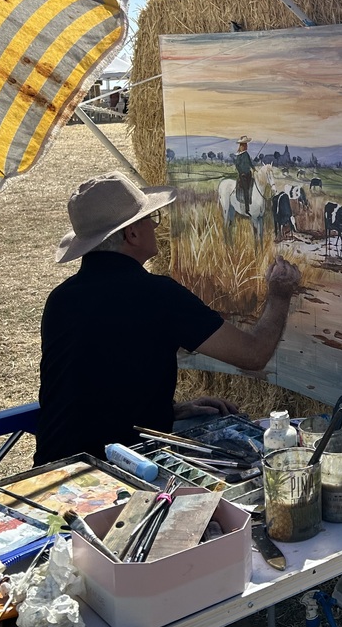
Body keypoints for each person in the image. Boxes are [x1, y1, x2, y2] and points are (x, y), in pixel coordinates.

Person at [33, 172, 301, 465]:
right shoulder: (157, 295)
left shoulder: (59, 299)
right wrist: (279, 294)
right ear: (132, 234)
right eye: (152, 219)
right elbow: (254, 354)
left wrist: (169, 410)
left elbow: (95, 387)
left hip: (52, 469)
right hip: (120, 470)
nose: (156, 226)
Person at [233, 136, 254, 215]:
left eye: (246, 144)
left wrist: (254, 168)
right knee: (246, 190)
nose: (246, 146)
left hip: (249, 174)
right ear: (242, 146)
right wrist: (241, 172)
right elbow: (237, 165)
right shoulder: (239, 155)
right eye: (245, 145)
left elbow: (250, 163)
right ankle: (247, 209)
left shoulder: (246, 154)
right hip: (243, 175)